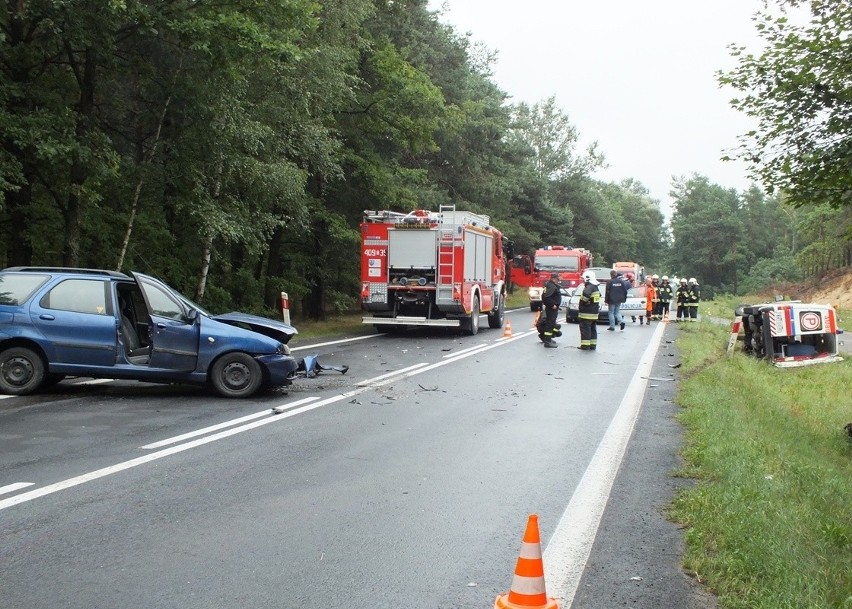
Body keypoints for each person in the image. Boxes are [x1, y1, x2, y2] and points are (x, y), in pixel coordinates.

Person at [537, 272, 562, 347]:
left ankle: (548, 339)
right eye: (557, 279)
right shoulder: (551, 286)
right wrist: (552, 305)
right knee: (550, 324)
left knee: (552, 324)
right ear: (554, 279)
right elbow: (546, 297)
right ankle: (547, 341)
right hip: (551, 309)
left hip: (551, 308)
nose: (558, 281)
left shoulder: (549, 285)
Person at [577, 270, 601, 350]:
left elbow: (585, 298)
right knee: (593, 329)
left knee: (585, 329)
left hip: (586, 313)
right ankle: (593, 345)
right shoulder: (595, 287)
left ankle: (585, 345)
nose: (583, 280)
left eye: (583, 279)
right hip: (594, 313)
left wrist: (583, 302)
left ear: (587, 278)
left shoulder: (589, 287)